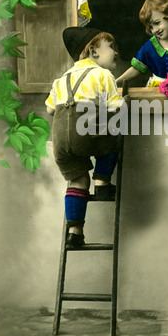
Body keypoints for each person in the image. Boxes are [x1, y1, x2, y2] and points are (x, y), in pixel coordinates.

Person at [46, 27, 128, 249]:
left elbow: (51, 110)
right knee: (113, 133)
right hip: (87, 135)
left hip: (62, 140)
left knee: (78, 180)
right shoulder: (103, 75)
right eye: (110, 46)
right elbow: (115, 106)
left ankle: (75, 232)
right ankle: (102, 182)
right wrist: (124, 101)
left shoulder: (61, 79)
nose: (116, 52)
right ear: (93, 51)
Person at [116, 0, 168, 91]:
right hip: (156, 93)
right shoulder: (150, 47)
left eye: (157, 23)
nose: (154, 30)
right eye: (150, 27)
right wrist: (115, 82)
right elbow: (136, 68)